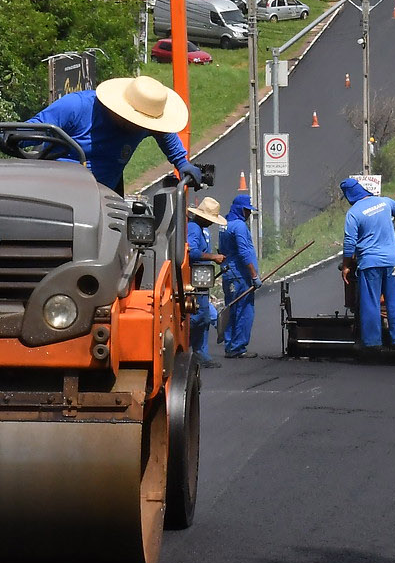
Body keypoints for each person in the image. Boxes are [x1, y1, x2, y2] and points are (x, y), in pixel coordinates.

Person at [25, 75, 204, 192]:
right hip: (53, 191)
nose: (138, 127)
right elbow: (33, 128)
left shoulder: (146, 123)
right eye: (135, 121)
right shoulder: (76, 107)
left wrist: (181, 162)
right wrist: (15, 136)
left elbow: (165, 134)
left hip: (103, 199)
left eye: (144, 123)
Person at [340, 178, 395, 350]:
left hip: (370, 264)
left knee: (371, 303)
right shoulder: (384, 202)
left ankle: (373, 343)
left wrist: (346, 265)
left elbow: (349, 243)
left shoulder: (353, 214)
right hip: (393, 262)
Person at [186, 197, 227, 368]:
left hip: (202, 279)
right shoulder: (194, 229)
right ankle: (195, 352)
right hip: (195, 280)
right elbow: (192, 253)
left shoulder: (202, 230)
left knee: (202, 317)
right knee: (198, 317)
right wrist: (213, 257)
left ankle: (201, 352)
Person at [218, 194, 259, 359]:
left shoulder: (225, 224)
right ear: (241, 210)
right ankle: (238, 347)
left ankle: (230, 345)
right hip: (240, 275)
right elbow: (244, 252)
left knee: (231, 308)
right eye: (247, 211)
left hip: (229, 274)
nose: (249, 215)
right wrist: (254, 275)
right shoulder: (240, 227)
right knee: (244, 310)